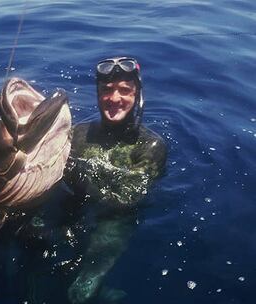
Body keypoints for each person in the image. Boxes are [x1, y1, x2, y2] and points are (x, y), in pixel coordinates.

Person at [63, 57, 167, 303]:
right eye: (106, 90)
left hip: (116, 219)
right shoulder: (77, 133)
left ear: (137, 94)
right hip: (71, 205)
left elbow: (126, 200)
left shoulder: (151, 146)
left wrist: (79, 178)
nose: (115, 98)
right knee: (32, 240)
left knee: (81, 292)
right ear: (98, 94)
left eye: (125, 90)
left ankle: (96, 288)